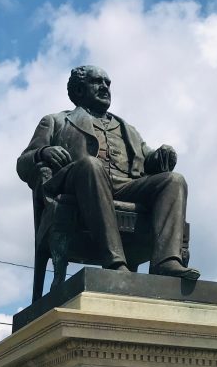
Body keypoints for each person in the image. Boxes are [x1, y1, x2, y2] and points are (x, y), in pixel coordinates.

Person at [17, 65, 199, 279]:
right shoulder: (56, 121)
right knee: (91, 165)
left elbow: (148, 159)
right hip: (79, 183)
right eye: (97, 82)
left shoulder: (126, 128)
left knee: (174, 180)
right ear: (78, 91)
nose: (104, 87)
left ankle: (166, 261)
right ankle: (114, 263)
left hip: (124, 185)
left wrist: (161, 155)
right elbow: (23, 164)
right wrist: (43, 152)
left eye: (107, 83)